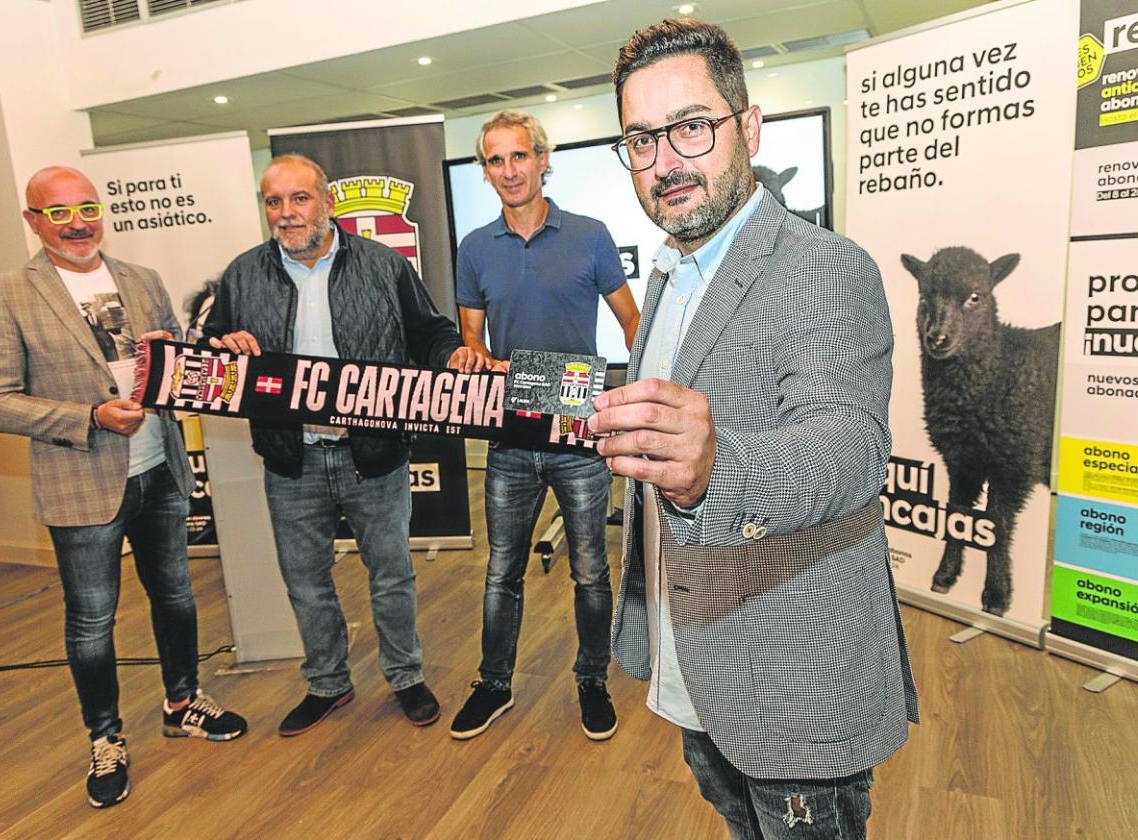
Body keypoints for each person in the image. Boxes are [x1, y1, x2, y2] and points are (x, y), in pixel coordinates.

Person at [588, 20, 919, 839]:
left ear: (750, 126)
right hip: (698, 666)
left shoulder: (823, 266)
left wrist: (716, 468)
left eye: (691, 127)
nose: (666, 161)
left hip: (793, 683)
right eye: (640, 139)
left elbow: (847, 446)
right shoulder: (668, 273)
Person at [0, 166, 247, 810]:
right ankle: (106, 738)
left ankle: (183, 703)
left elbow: (165, 370)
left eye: (87, 207)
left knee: (176, 597)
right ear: (33, 221)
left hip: (161, 469)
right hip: (81, 482)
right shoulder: (6, 292)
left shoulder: (141, 279)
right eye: (59, 212)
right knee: (92, 622)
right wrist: (87, 416)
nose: (78, 223)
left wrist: (187, 358)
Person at [202, 153, 488, 736]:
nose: (287, 213)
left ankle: (406, 676)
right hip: (291, 457)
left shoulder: (384, 265)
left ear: (326, 202)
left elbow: (428, 332)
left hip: (373, 455)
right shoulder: (241, 273)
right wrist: (221, 345)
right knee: (306, 580)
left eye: (299, 199)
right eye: (274, 202)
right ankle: (327, 683)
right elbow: (211, 347)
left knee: (391, 575)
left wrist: (451, 355)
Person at [450, 110, 640, 742]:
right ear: (486, 170)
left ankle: (592, 680)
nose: (509, 170)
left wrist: (630, 402)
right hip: (509, 441)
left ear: (542, 160)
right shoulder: (474, 248)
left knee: (591, 569)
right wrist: (470, 356)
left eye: (519, 157)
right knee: (501, 570)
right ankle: (494, 684)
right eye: (495, 160)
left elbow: (634, 328)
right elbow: (471, 343)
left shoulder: (589, 235)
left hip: (579, 439)